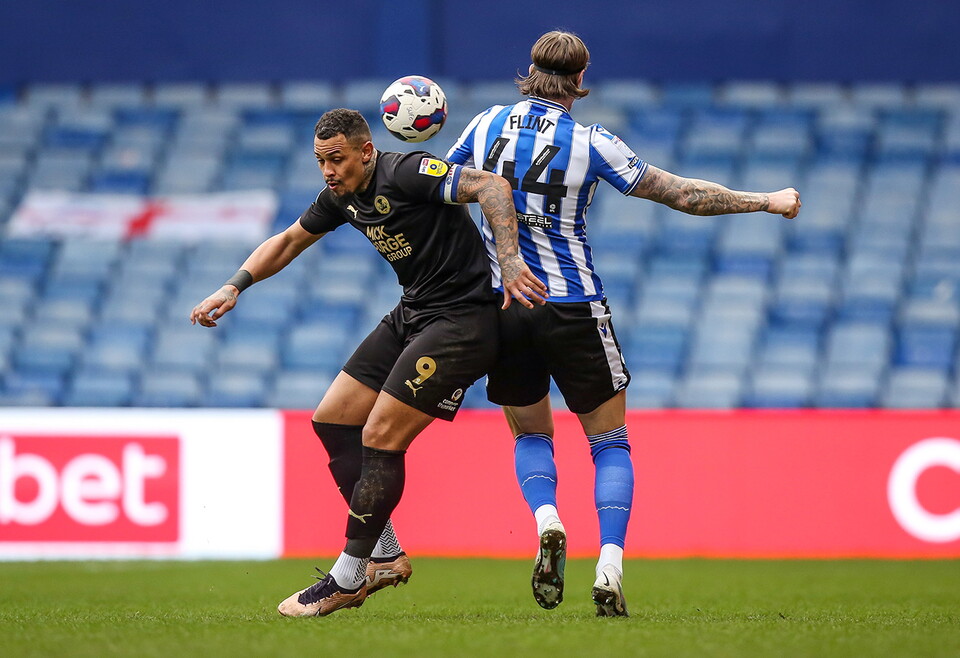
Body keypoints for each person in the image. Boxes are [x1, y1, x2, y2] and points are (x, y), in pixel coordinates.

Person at [445, 30, 801, 617]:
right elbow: (682, 195)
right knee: (609, 442)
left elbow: (443, 189)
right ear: (581, 80)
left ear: (528, 72)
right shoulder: (591, 142)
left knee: (530, 435)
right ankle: (609, 564)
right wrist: (765, 200)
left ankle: (547, 519)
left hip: (508, 304)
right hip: (575, 305)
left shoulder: (484, 125)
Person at [190, 108, 546, 617]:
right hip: (414, 312)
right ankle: (385, 555)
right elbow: (289, 240)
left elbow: (491, 185)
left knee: (380, 435)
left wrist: (509, 262)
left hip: (462, 321)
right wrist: (233, 286)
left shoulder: (407, 172)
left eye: (336, 159)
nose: (328, 171)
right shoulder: (339, 197)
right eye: (320, 161)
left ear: (366, 151)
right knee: (332, 419)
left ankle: (347, 577)